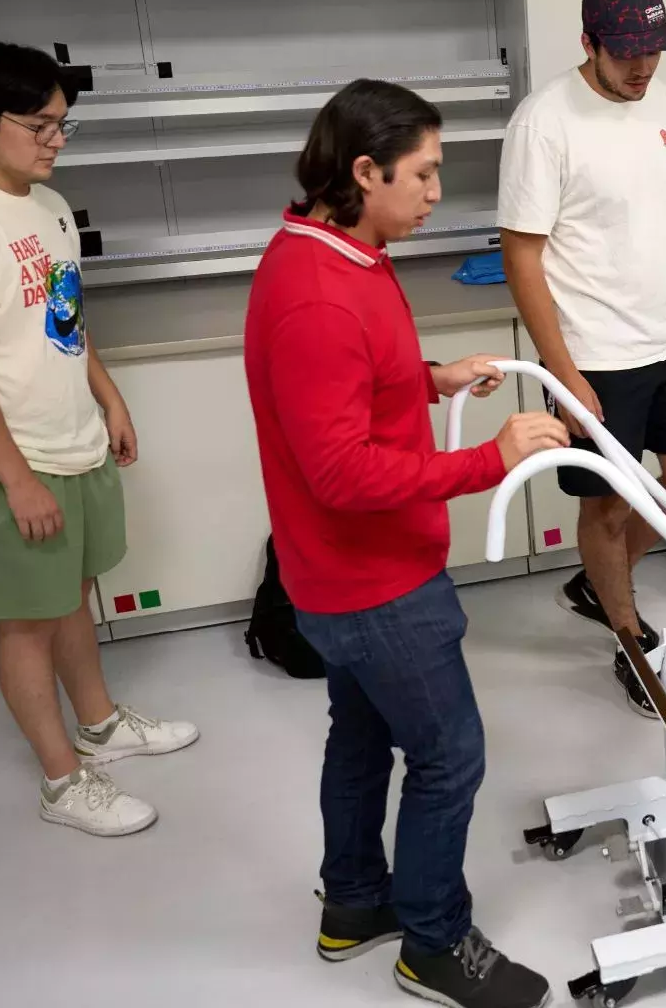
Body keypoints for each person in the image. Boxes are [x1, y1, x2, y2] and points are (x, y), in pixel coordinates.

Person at [244, 79, 569, 1008]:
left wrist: (430, 378)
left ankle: (351, 904)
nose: (435, 192)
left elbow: (356, 387)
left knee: (362, 735)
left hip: (349, 579)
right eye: (423, 174)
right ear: (363, 171)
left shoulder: (344, 250)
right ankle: (432, 944)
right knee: (449, 754)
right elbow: (340, 474)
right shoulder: (316, 294)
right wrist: (486, 459)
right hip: (372, 583)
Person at [0, 41, 196, 839]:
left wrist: (107, 397)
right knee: (26, 619)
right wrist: (17, 479)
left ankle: (98, 724)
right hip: (1, 460)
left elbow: (63, 320)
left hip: (71, 440)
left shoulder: (45, 203)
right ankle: (63, 782)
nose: (57, 139)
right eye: (40, 125)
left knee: (73, 590)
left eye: (64, 124)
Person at [498, 0, 666, 716]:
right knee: (610, 512)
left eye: (652, 50)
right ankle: (627, 638)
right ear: (589, 44)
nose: (642, 66)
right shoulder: (544, 123)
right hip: (594, 352)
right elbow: (521, 256)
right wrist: (563, 370)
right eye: (626, 54)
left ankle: (597, 579)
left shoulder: (660, 98)